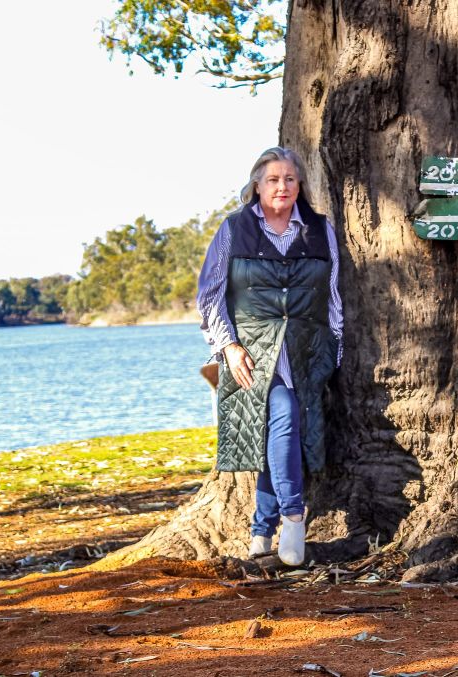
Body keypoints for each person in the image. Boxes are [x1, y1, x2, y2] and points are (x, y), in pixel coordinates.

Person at [196, 147, 343, 566]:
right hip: (251, 354)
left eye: (290, 180)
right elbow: (210, 296)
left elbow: (332, 294)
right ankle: (294, 516)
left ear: (300, 186)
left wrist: (334, 349)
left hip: (305, 350)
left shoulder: (320, 229)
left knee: (279, 433)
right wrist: (228, 347)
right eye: (274, 179)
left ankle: (261, 531)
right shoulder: (234, 229)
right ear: (257, 185)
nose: (283, 187)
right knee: (282, 415)